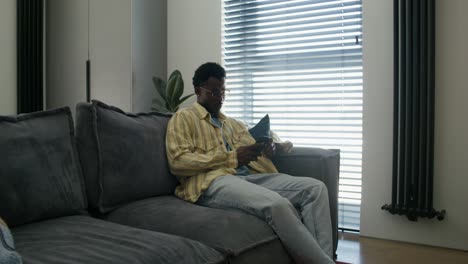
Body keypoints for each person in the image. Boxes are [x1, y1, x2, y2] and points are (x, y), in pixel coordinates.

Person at [165, 62, 334, 264]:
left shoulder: (232, 123)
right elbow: (178, 161)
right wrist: (232, 158)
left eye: (223, 91)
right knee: (277, 204)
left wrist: (275, 147)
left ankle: (324, 258)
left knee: (316, 188)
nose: (220, 98)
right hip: (212, 182)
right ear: (197, 90)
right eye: (214, 92)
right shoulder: (183, 118)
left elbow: (268, 136)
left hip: (251, 178)